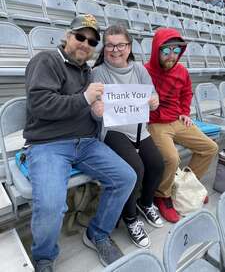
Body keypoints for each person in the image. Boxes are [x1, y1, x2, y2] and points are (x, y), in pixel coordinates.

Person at [23, 14, 137, 271]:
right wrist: (85, 99)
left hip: (86, 143)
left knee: (126, 177)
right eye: (80, 37)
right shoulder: (46, 61)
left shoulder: (87, 71)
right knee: (52, 204)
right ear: (67, 35)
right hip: (48, 144)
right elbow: (40, 105)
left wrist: (97, 113)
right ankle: (44, 257)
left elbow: (86, 107)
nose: (85, 44)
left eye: (92, 41)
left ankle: (97, 233)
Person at [92, 25, 164, 249]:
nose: (115, 50)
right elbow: (92, 105)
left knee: (157, 164)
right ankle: (130, 218)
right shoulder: (98, 73)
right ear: (104, 48)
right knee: (135, 170)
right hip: (113, 131)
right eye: (110, 45)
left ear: (129, 47)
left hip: (139, 129)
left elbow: (153, 95)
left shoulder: (139, 70)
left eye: (120, 45)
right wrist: (96, 109)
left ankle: (146, 203)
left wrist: (154, 100)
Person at [144, 28, 218, 223]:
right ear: (156, 50)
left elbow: (186, 93)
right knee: (171, 158)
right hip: (156, 123)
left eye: (176, 51)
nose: (171, 56)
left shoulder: (182, 71)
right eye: (166, 51)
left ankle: (186, 185)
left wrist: (185, 112)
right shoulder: (144, 71)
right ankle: (162, 195)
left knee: (210, 148)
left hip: (177, 119)